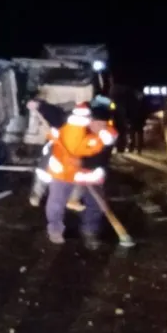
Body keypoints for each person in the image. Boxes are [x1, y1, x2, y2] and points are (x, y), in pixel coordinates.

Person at [39, 100, 118, 248]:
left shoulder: (106, 137)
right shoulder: (72, 127)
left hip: (90, 172)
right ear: (89, 121)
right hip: (63, 170)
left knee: (95, 202)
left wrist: (87, 171)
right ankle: (55, 229)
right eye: (95, 122)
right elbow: (53, 113)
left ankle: (90, 230)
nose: (99, 126)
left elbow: (100, 158)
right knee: (56, 201)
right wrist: (38, 104)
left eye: (103, 124)